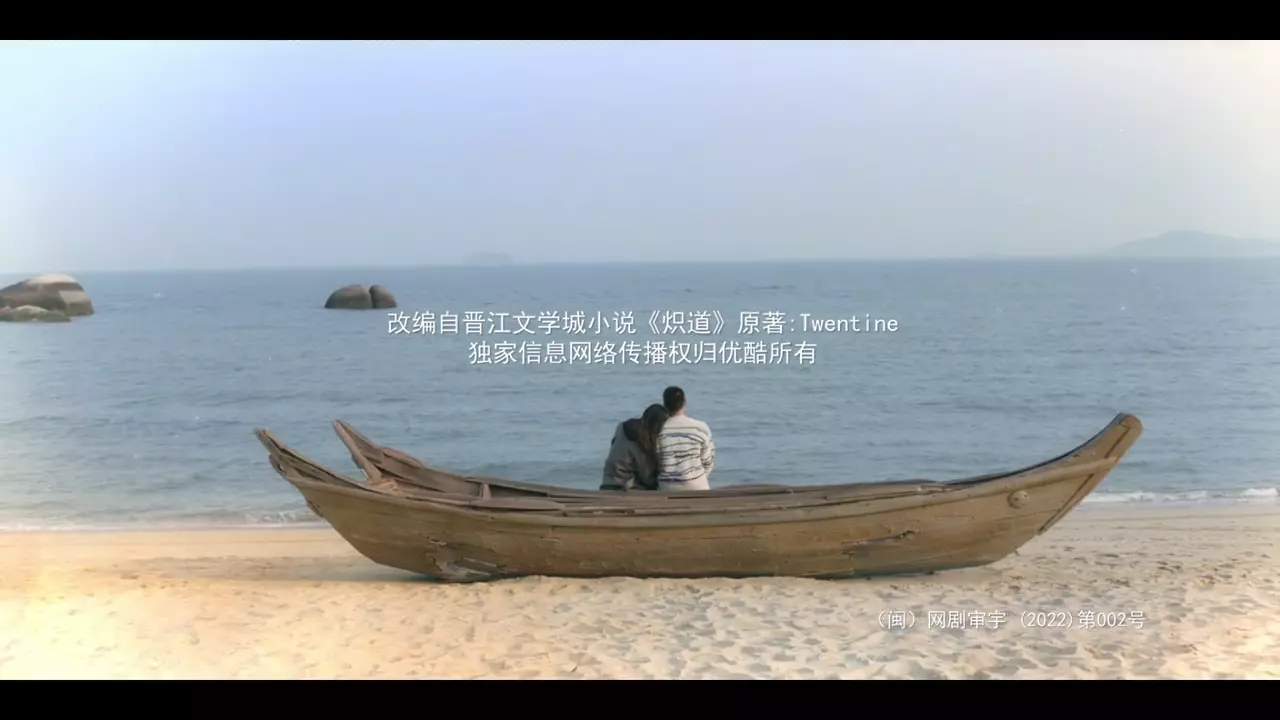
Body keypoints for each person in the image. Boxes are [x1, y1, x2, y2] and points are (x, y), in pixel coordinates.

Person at [656, 385, 716, 491]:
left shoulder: (658, 430)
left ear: (664, 405)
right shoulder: (700, 427)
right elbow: (708, 462)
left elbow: (655, 462)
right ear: (684, 402)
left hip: (667, 488)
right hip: (698, 486)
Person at [601, 403, 670, 491]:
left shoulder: (622, 428)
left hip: (607, 483)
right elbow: (647, 478)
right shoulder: (641, 441)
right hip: (624, 488)